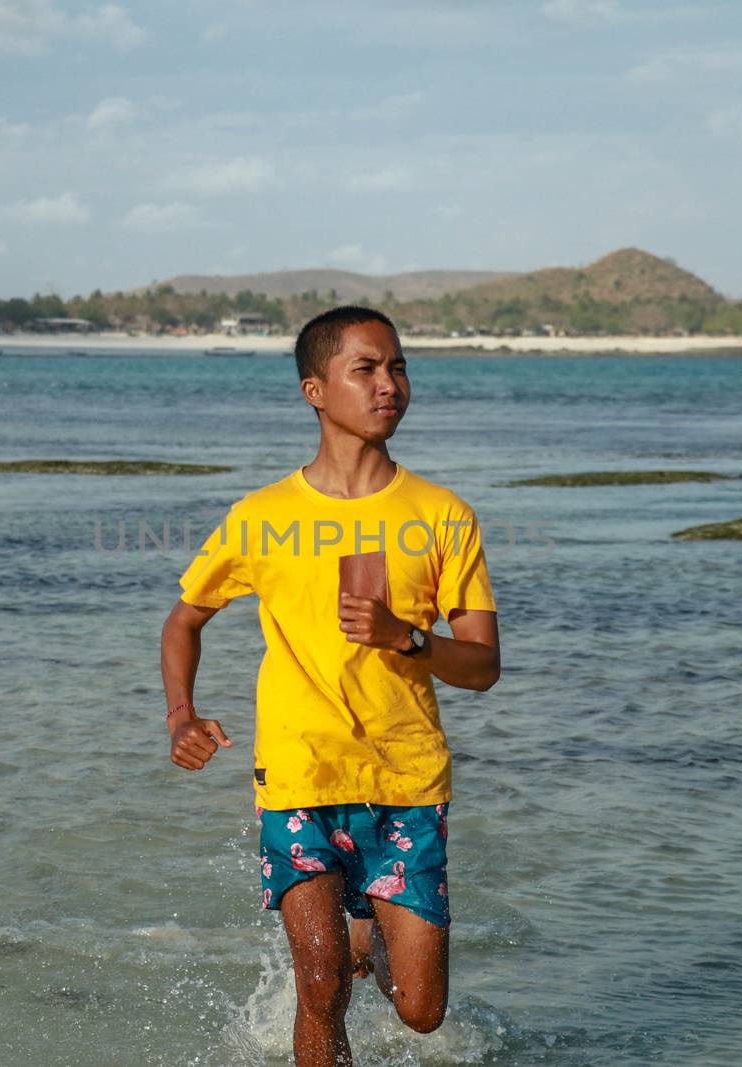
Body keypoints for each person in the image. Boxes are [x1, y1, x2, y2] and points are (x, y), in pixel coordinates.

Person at [159, 306, 501, 1066]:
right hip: (297, 773)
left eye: (399, 367)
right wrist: (181, 713)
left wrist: (406, 637)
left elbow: (482, 664)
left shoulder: (442, 515)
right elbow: (184, 619)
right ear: (316, 390)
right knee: (320, 984)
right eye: (368, 369)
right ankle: (344, 944)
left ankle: (370, 929)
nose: (390, 385)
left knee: (420, 1011)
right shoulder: (262, 516)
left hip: (405, 779)